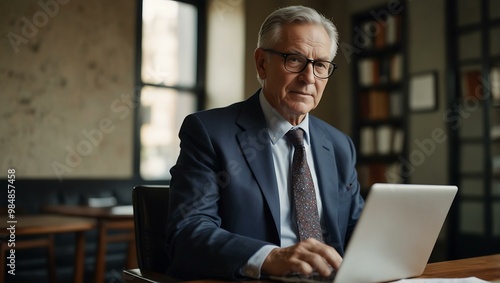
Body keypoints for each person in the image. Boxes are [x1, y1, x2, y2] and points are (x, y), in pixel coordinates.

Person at [165, 5, 364, 280]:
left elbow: (358, 231)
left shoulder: (341, 146)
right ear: (261, 63)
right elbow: (188, 231)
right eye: (294, 60)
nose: (309, 78)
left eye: (320, 65)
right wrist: (270, 257)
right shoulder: (209, 133)